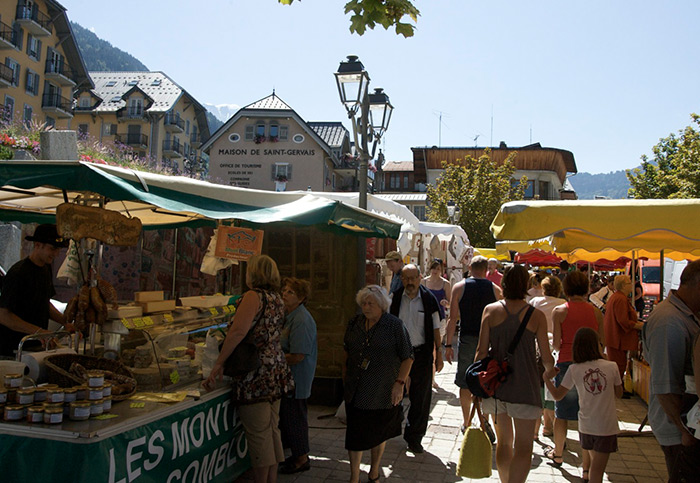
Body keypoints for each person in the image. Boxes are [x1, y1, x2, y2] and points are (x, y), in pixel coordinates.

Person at [204, 255, 293, 483]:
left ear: (253, 274)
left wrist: (218, 363)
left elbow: (237, 332)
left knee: (259, 434)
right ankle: (271, 479)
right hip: (276, 368)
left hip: (256, 373)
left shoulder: (254, 297)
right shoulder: (277, 298)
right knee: (272, 428)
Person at [476, 264, 556, 483]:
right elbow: (546, 357)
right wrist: (550, 372)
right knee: (523, 446)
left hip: (496, 386)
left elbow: (481, 352)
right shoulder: (536, 316)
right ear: (526, 285)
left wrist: (476, 385)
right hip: (525, 385)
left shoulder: (490, 310)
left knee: (503, 443)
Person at [344, 285, 413, 483]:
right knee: (355, 435)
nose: (366, 307)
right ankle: (354, 477)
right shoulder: (354, 323)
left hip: (382, 389)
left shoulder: (394, 325)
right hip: (356, 388)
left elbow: (408, 356)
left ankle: (374, 471)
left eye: (371, 304)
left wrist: (399, 383)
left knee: (378, 432)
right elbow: (346, 351)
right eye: (364, 303)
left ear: (381, 306)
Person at [643, 260, 700, 481]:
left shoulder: (681, 316)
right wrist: (685, 431)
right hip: (679, 430)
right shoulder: (670, 322)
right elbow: (665, 386)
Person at [544, 327, 623, 483]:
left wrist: (547, 378)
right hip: (606, 426)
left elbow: (558, 395)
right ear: (597, 345)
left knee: (595, 466)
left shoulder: (574, 369)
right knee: (597, 470)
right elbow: (619, 393)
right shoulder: (611, 366)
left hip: (586, 426)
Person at [547, 271, 605, 467]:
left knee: (561, 413)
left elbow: (556, 344)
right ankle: (587, 466)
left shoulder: (560, 311)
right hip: (590, 366)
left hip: (566, 364)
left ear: (567, 288)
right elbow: (601, 343)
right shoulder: (596, 312)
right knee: (586, 414)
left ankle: (558, 453)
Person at [444, 255, 502, 432]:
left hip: (468, 337)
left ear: (470, 268)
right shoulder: (495, 289)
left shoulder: (460, 287)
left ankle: (466, 421)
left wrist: (447, 345)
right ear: (486, 270)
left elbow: (452, 318)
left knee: (464, 380)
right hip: (489, 339)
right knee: (486, 378)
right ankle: (484, 419)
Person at [389, 264, 443, 454]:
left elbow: (436, 328)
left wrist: (440, 353)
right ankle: (390, 429)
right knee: (393, 393)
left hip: (421, 353)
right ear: (401, 279)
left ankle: (415, 437)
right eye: (406, 278)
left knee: (421, 398)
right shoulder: (394, 299)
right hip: (397, 355)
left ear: (420, 277)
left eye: (413, 278)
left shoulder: (429, 300)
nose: (410, 282)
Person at [0, 224, 73, 358]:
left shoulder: (45, 269)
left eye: (58, 249)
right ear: (38, 245)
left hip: (35, 349)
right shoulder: (18, 273)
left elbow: (44, 303)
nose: (56, 254)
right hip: (12, 351)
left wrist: (65, 322)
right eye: (53, 249)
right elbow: (4, 316)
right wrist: (39, 332)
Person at [278, 277, 317, 475]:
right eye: (284, 290)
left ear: (301, 298)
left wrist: (274, 359)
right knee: (289, 417)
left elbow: (298, 355)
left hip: (297, 378)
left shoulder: (301, 319)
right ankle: (295, 454)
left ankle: (301, 458)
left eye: (290, 292)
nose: (285, 294)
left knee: (295, 418)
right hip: (287, 378)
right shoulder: (289, 314)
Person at [529, 275, 567, 438]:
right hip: (556, 351)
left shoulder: (535, 303)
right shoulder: (563, 305)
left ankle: (535, 431)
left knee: (537, 389)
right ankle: (548, 426)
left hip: (537, 349)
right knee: (551, 389)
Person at [604, 275, 643, 386]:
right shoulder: (620, 299)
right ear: (623, 286)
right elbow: (623, 320)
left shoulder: (617, 297)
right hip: (618, 339)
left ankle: (617, 387)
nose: (631, 285)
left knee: (618, 364)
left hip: (615, 338)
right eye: (629, 283)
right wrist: (637, 325)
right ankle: (617, 388)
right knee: (619, 365)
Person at [421, 258, 451, 388]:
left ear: (442, 270)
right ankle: (428, 376)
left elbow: (450, 304)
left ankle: (432, 378)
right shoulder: (423, 282)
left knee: (435, 347)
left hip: (439, 319)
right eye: (433, 268)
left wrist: (446, 303)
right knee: (427, 347)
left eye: (438, 269)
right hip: (424, 318)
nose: (435, 271)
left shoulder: (446, 284)